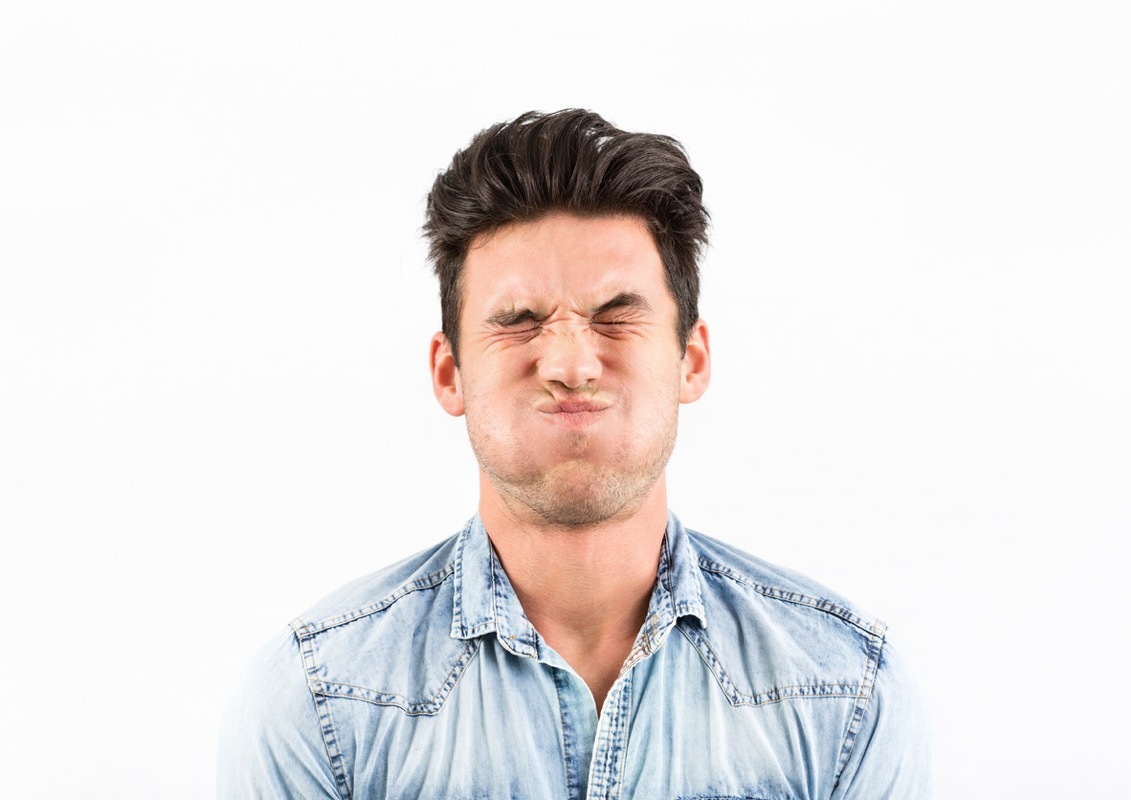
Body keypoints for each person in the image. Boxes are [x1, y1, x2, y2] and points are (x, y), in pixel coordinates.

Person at [217, 109, 933, 799]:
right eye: (519, 321)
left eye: (616, 315)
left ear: (691, 360)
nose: (571, 364)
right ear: (449, 373)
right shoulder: (320, 704)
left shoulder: (846, 692)